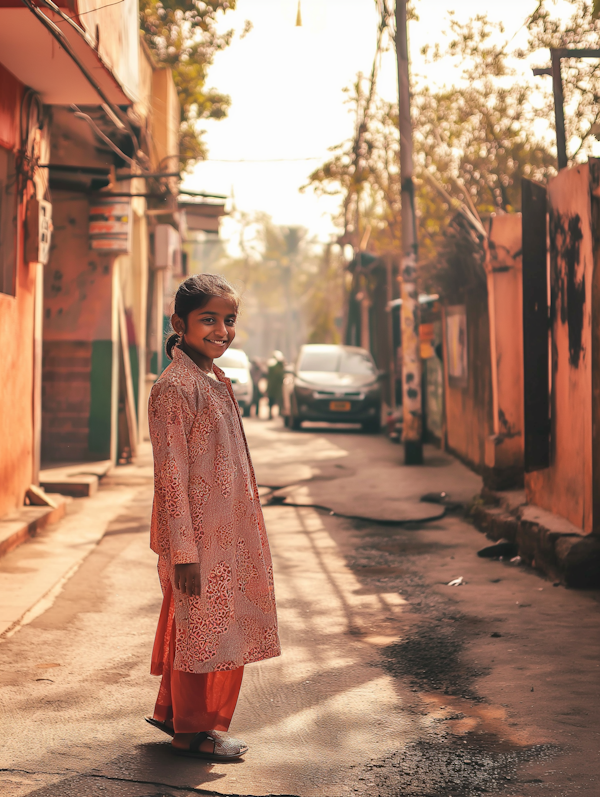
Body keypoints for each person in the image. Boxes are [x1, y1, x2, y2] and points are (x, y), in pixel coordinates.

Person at [145, 274, 281, 761]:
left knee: (212, 628)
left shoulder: (212, 379)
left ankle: (178, 718)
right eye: (209, 320)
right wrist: (183, 551)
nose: (222, 330)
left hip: (228, 536)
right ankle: (193, 732)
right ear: (179, 323)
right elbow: (171, 475)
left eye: (229, 321)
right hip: (199, 540)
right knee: (202, 628)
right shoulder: (174, 387)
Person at [266, 350, 285, 419]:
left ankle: (275, 413)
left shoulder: (272, 367)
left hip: (273, 387)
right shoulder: (279, 368)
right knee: (274, 401)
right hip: (275, 388)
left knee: (272, 401)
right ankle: (275, 414)